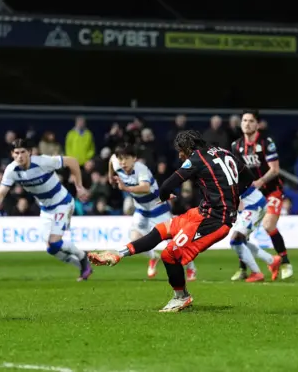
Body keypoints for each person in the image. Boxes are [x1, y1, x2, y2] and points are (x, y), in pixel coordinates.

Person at [89, 130, 253, 312]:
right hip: (203, 212)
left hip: (216, 220)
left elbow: (167, 185)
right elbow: (248, 178)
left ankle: (181, 297)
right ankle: (118, 253)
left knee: (169, 254)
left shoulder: (197, 158)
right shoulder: (223, 152)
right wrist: (232, 198)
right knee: (161, 230)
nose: (180, 155)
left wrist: (165, 195)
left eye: (181, 151)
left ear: (188, 147)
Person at [0, 139, 93, 281]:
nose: (20, 156)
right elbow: (1, 192)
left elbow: (72, 161)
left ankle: (83, 256)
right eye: (16, 153)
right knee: (52, 249)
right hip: (46, 209)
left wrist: (79, 187)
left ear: (29, 152)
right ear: (12, 154)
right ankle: (83, 267)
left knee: (55, 242)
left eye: (23, 152)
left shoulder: (43, 162)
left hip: (63, 203)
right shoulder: (12, 170)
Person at [108, 144, 197, 281]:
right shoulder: (118, 164)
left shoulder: (141, 169)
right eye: (121, 159)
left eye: (126, 158)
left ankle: (190, 267)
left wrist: (125, 188)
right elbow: (112, 159)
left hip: (158, 208)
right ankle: (153, 257)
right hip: (141, 209)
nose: (123, 162)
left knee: (175, 241)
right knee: (135, 239)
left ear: (134, 158)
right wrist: (110, 177)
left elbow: (145, 187)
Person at [230, 109, 293, 281]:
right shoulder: (236, 146)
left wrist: (259, 182)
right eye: (244, 121)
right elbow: (236, 174)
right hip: (250, 196)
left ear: (257, 124)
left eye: (251, 121)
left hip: (271, 190)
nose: (247, 124)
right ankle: (243, 268)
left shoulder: (266, 143)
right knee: (242, 232)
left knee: (268, 224)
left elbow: (275, 170)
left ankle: (286, 262)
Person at [228, 185, 282, 282]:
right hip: (254, 203)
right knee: (239, 240)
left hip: (253, 205)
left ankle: (257, 273)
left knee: (236, 240)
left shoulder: (219, 174)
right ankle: (271, 260)